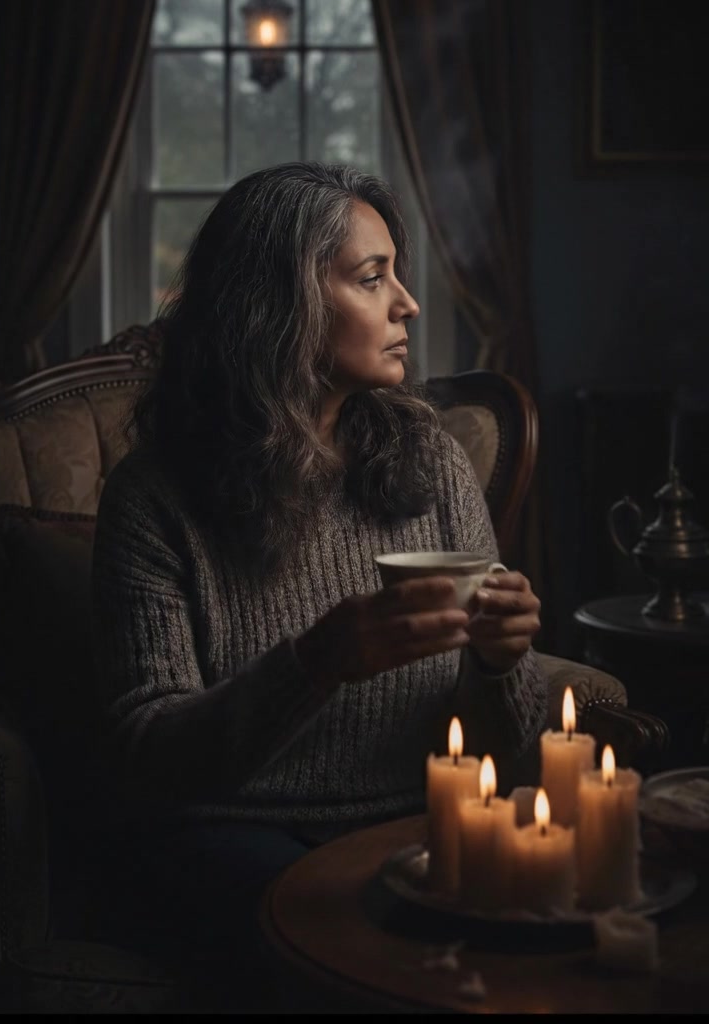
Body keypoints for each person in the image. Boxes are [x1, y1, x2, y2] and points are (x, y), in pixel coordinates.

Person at [89, 160, 547, 1008]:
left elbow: (495, 743)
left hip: (407, 826)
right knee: (351, 942)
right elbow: (145, 755)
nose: (407, 304)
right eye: (373, 279)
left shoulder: (434, 464)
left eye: (396, 275)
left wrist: (499, 659)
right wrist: (316, 662)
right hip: (227, 836)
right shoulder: (156, 499)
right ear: (279, 303)